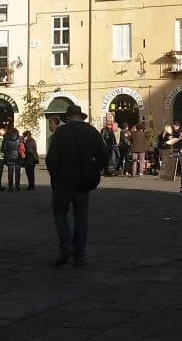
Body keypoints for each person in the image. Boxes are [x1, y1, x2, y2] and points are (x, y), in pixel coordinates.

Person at [45, 104, 107, 268]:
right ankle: (79, 254)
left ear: (68, 117)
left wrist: (55, 174)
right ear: (81, 117)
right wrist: (94, 169)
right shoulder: (92, 132)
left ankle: (66, 245)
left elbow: (51, 158)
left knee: (59, 213)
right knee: (81, 217)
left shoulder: (61, 132)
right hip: (84, 181)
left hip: (63, 181)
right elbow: (103, 156)